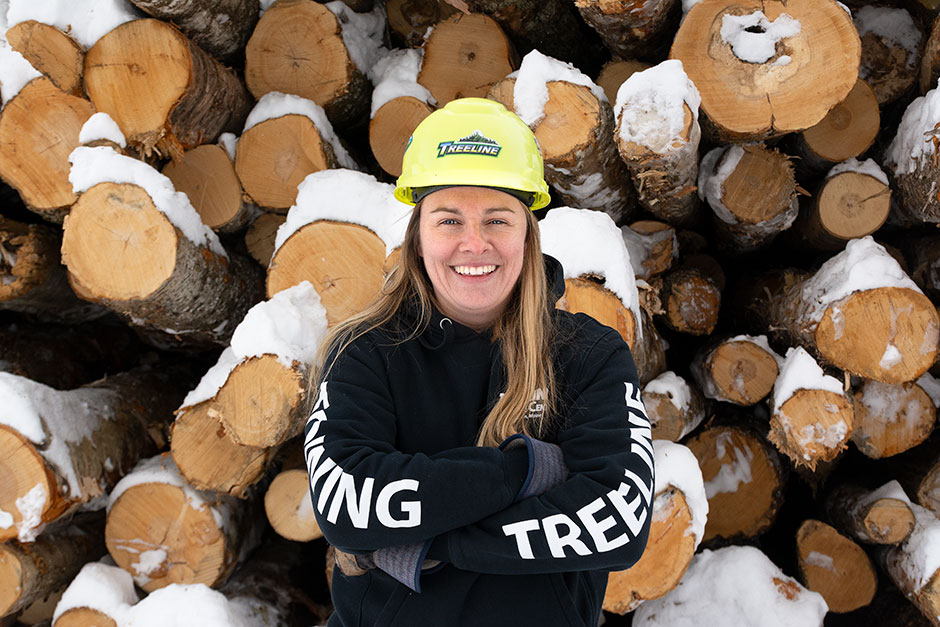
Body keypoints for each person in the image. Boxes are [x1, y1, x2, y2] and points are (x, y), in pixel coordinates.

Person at [304, 97, 654, 626]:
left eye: (497, 218)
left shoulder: (589, 355)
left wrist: (425, 545)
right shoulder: (365, 351)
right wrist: (528, 471)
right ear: (418, 238)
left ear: (527, 235)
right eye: (449, 220)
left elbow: (617, 522)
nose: (474, 243)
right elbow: (347, 506)